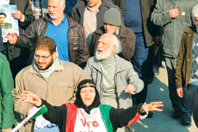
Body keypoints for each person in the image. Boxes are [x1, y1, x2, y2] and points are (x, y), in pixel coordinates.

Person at [104, 0, 156, 104]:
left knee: (141, 66)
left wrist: (156, 33)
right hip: (121, 34)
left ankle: (140, 103)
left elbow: (153, 5)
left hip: (142, 34)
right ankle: (123, 102)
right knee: (122, 65)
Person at [150, 0, 198, 120]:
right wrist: (168, 15)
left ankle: (186, 112)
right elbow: (154, 18)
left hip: (185, 52)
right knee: (173, 84)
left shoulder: (192, 2)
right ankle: (177, 108)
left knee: (183, 84)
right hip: (168, 50)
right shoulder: (162, 0)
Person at [17, 80, 163, 132]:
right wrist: (39, 102)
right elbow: (52, 112)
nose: (87, 95)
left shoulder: (105, 111)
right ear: (79, 94)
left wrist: (141, 108)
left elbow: (123, 116)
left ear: (96, 94)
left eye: (91, 91)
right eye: (84, 91)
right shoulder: (68, 110)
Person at [13, 37, 88, 132]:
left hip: (65, 125)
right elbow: (17, 97)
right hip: (35, 126)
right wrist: (27, 109)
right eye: (37, 56)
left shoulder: (73, 71)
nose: (40, 60)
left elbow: (86, 93)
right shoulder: (24, 74)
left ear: (55, 54)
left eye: (45, 57)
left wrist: (68, 111)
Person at [7, 0, 90, 67]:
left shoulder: (75, 28)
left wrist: (76, 71)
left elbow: (83, 54)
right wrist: (16, 40)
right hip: (43, 70)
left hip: (66, 71)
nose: (51, 9)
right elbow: (27, 40)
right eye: (49, 6)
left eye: (54, 7)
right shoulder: (39, 24)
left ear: (63, 7)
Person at [85, 33, 144, 110]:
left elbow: (138, 82)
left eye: (104, 43)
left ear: (113, 47)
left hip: (118, 104)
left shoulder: (125, 65)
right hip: (97, 102)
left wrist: (134, 87)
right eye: (99, 42)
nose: (99, 46)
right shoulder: (92, 62)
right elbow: (84, 80)